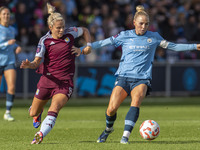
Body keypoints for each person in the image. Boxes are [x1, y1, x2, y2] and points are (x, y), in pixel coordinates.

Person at [75, 5, 200, 144]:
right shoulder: (124, 35)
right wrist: (82, 48)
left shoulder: (154, 37)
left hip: (142, 78)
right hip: (123, 77)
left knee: (135, 103)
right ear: (134, 22)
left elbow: (174, 46)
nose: (143, 26)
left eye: (146, 24)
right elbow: (104, 43)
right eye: (141, 23)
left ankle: (125, 137)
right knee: (111, 110)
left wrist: (194, 46)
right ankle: (108, 129)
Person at [20, 3, 91, 144]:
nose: (61, 30)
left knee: (55, 107)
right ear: (50, 27)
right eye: (58, 28)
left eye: (63, 27)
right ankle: (37, 113)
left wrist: (87, 47)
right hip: (47, 80)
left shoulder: (70, 33)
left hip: (65, 82)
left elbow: (85, 30)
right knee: (32, 112)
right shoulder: (44, 41)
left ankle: (41, 134)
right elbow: (36, 62)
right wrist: (29, 65)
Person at [0, 6, 22, 121]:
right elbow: (6, 44)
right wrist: (6, 44)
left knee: (12, 87)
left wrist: (16, 47)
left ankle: (7, 112)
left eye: (8, 14)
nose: (6, 16)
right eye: (4, 14)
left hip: (9, 60)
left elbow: (12, 44)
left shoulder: (12, 29)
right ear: (0, 16)